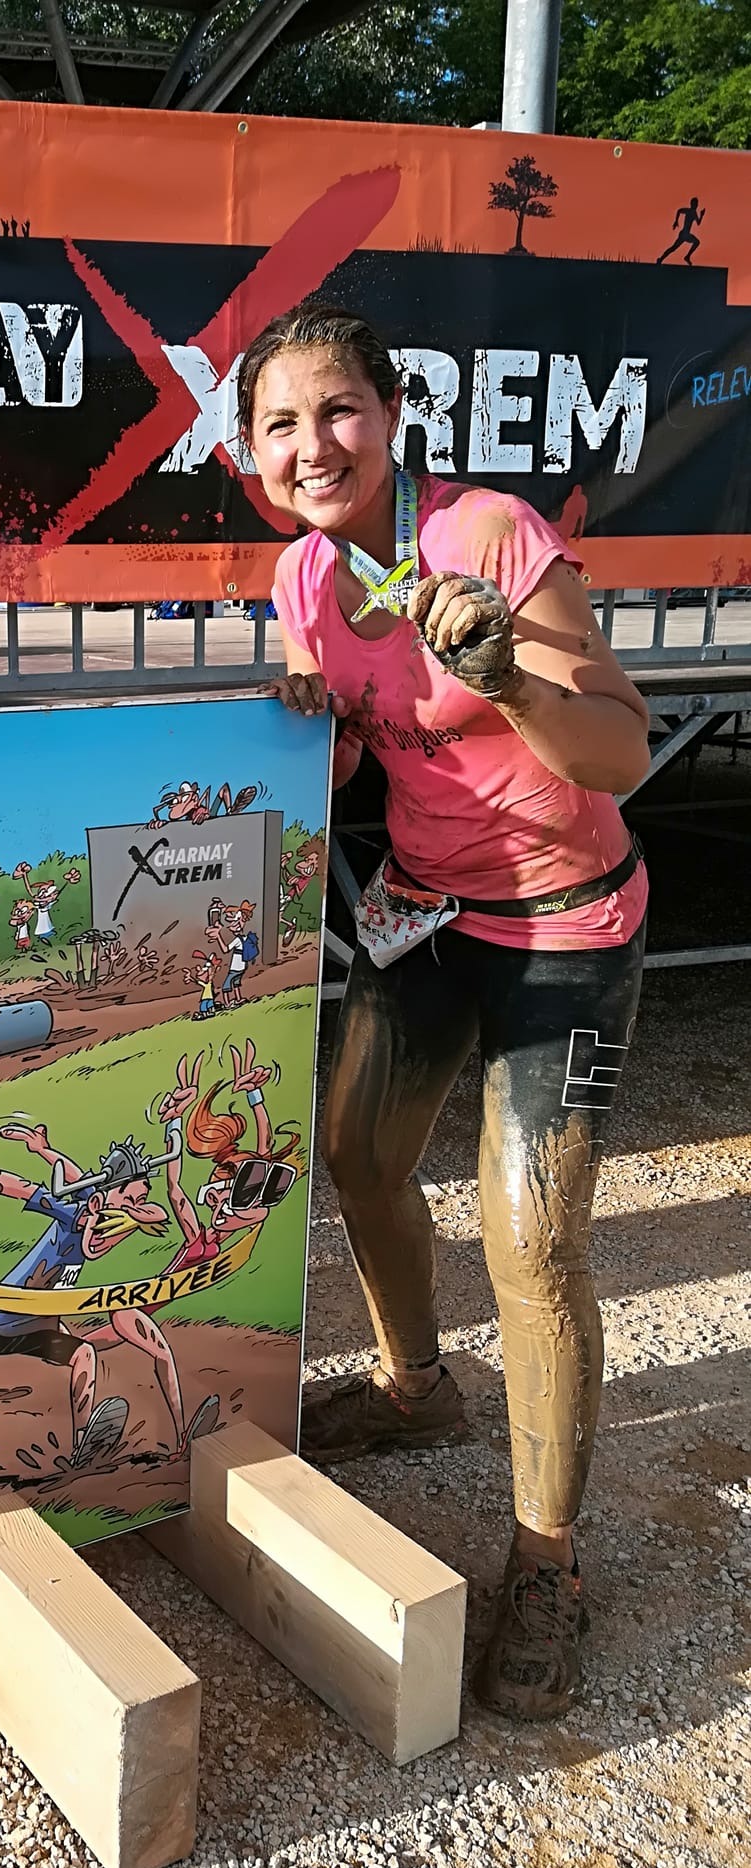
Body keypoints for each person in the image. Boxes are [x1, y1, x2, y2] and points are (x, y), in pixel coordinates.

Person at [243, 299, 650, 1721]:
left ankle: (548, 1559)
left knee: (531, 1239)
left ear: (392, 416)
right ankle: (419, 1390)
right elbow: (368, 751)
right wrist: (308, 728)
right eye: (280, 425)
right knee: (358, 1156)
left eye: (337, 410)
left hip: (564, 920)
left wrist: (507, 678)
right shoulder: (304, 576)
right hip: (423, 908)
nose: (313, 445)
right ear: (252, 453)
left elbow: (621, 748)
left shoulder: (487, 537)